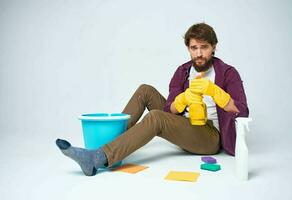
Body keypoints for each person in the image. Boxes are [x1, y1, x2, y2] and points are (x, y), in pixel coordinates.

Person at [56, 23, 249, 176]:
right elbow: (170, 111)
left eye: (204, 47)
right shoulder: (182, 72)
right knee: (145, 91)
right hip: (185, 124)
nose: (199, 54)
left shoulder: (227, 73)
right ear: (188, 49)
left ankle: (96, 158)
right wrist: (183, 99)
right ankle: (108, 148)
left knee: (156, 118)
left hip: (209, 136)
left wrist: (215, 92)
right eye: (194, 48)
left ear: (214, 47)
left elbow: (242, 111)